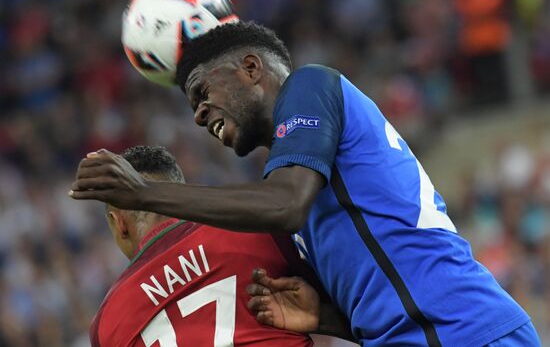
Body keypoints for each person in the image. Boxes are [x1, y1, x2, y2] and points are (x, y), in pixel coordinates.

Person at [71, 21, 539, 346]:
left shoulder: (309, 87)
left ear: (251, 69)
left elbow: (284, 204)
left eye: (202, 92)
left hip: (461, 331)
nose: (197, 114)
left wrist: (143, 194)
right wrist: (322, 316)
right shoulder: (296, 174)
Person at [89, 145, 318, 347]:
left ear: (119, 223)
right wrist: (323, 319)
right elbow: (347, 305)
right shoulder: (256, 230)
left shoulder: (107, 322)